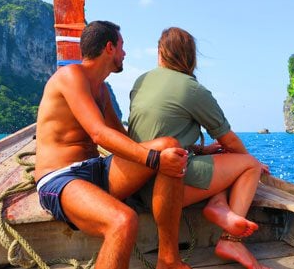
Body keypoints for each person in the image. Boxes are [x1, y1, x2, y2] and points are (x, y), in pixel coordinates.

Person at [34, 21, 190, 269]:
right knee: (123, 220)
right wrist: (154, 160)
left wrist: (187, 151)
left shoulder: (102, 89)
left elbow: (122, 137)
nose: (124, 53)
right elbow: (99, 134)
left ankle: (168, 259)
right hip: (60, 178)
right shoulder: (70, 76)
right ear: (109, 48)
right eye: (122, 47)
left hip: (97, 169)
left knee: (170, 147)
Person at [128, 27, 271, 269]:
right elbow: (229, 140)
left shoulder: (141, 80)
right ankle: (231, 241)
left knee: (221, 156)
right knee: (248, 165)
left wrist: (204, 151)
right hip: (166, 191)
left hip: (137, 182)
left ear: (160, 53)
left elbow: (156, 133)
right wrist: (253, 165)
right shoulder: (192, 89)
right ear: (191, 57)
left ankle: (218, 205)